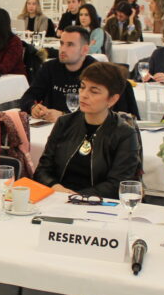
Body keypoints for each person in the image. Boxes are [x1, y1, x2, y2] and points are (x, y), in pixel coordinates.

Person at [33, 62, 141, 196]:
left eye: (94, 91)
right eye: (82, 87)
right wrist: (55, 187)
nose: (83, 95)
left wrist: (77, 196)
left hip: (99, 204)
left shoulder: (125, 133)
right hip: (58, 196)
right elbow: (43, 170)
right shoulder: (64, 123)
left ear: (112, 99)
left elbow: (117, 184)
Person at [21, 25, 95, 122]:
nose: (63, 49)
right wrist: (33, 107)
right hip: (50, 126)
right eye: (62, 43)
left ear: (84, 50)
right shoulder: (49, 67)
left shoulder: (95, 71)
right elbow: (28, 97)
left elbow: (100, 110)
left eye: (70, 45)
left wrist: (64, 116)